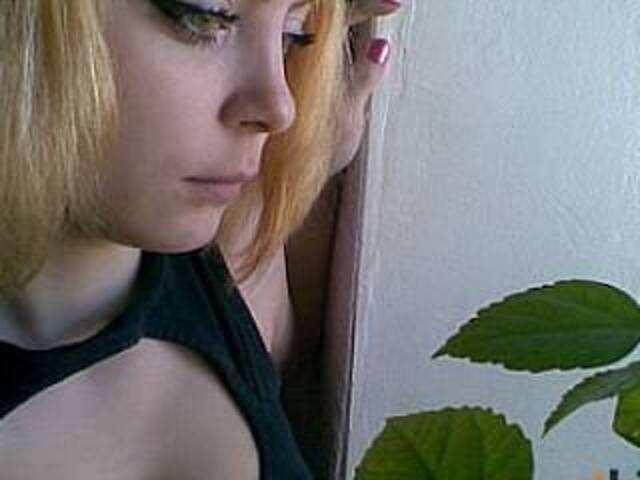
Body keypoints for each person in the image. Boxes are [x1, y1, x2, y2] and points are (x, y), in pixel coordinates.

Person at [0, 0, 401, 478]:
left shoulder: (209, 267)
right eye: (203, 15)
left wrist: (299, 169)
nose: (280, 108)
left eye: (293, 35)